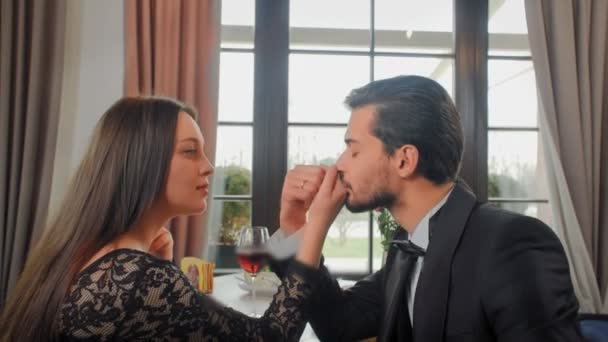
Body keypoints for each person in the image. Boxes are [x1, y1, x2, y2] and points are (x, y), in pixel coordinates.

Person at [0, 97, 347, 341]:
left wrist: (159, 272)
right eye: (190, 151)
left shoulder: (93, 255)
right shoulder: (135, 277)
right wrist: (312, 227)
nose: (208, 166)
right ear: (143, 162)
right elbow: (270, 337)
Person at [277, 75, 582, 341]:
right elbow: (338, 324)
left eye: (354, 150)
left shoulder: (514, 245)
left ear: (404, 160)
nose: (340, 164)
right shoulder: (406, 246)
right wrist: (295, 229)